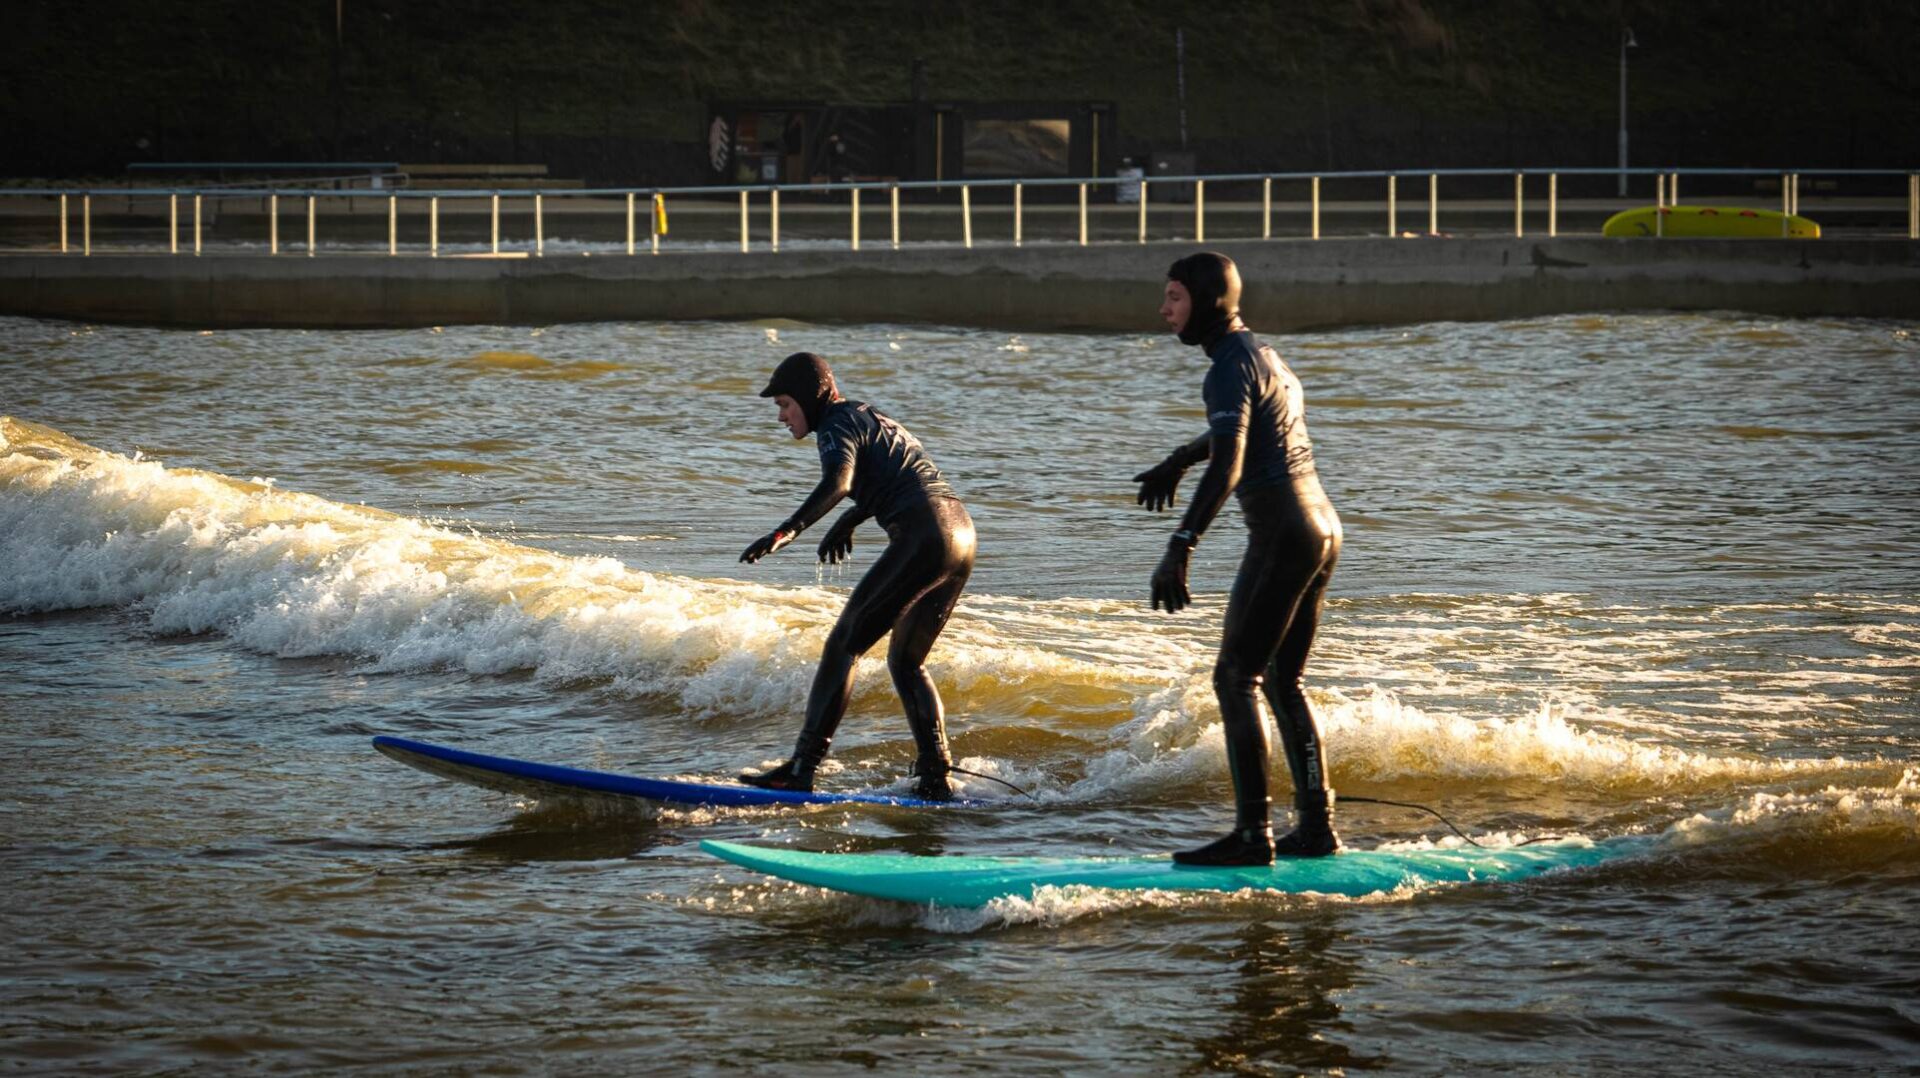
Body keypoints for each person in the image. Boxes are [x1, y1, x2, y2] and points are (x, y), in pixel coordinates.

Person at [1134, 252, 1344, 865]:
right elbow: (1242, 434)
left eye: (1174, 297)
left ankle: (1253, 834)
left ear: (1207, 300)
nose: (1165, 309)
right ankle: (1317, 825)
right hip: (1321, 527)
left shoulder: (1226, 369)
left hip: (1283, 533)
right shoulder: (1264, 357)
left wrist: (1180, 546)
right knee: (1284, 681)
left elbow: (1231, 463)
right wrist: (1178, 457)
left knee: (1236, 679)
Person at [737, 352, 976, 801]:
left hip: (924, 535)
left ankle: (801, 769)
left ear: (810, 397)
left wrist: (787, 530)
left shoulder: (833, 427)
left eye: (786, 404)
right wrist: (849, 522)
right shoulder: (867, 415)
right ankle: (936, 776)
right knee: (906, 663)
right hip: (960, 535)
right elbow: (895, 474)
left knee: (843, 644)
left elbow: (839, 482)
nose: (782, 416)